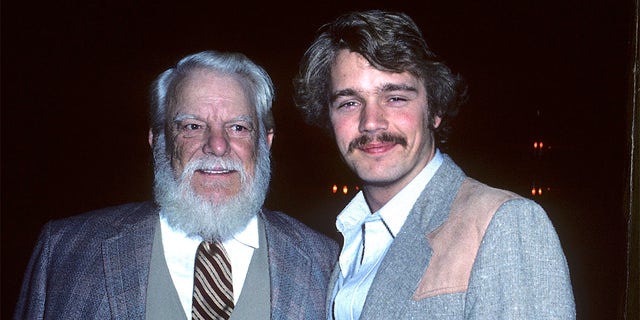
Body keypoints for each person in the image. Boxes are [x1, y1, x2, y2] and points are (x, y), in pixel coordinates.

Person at [15, 50, 338, 319]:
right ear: (160, 142)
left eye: (238, 127)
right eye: (192, 126)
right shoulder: (66, 251)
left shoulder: (325, 262)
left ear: (265, 142)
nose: (217, 145)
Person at [294, 10, 575, 319]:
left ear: (435, 110)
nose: (371, 122)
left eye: (396, 98)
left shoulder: (504, 224)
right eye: (349, 103)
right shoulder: (347, 242)